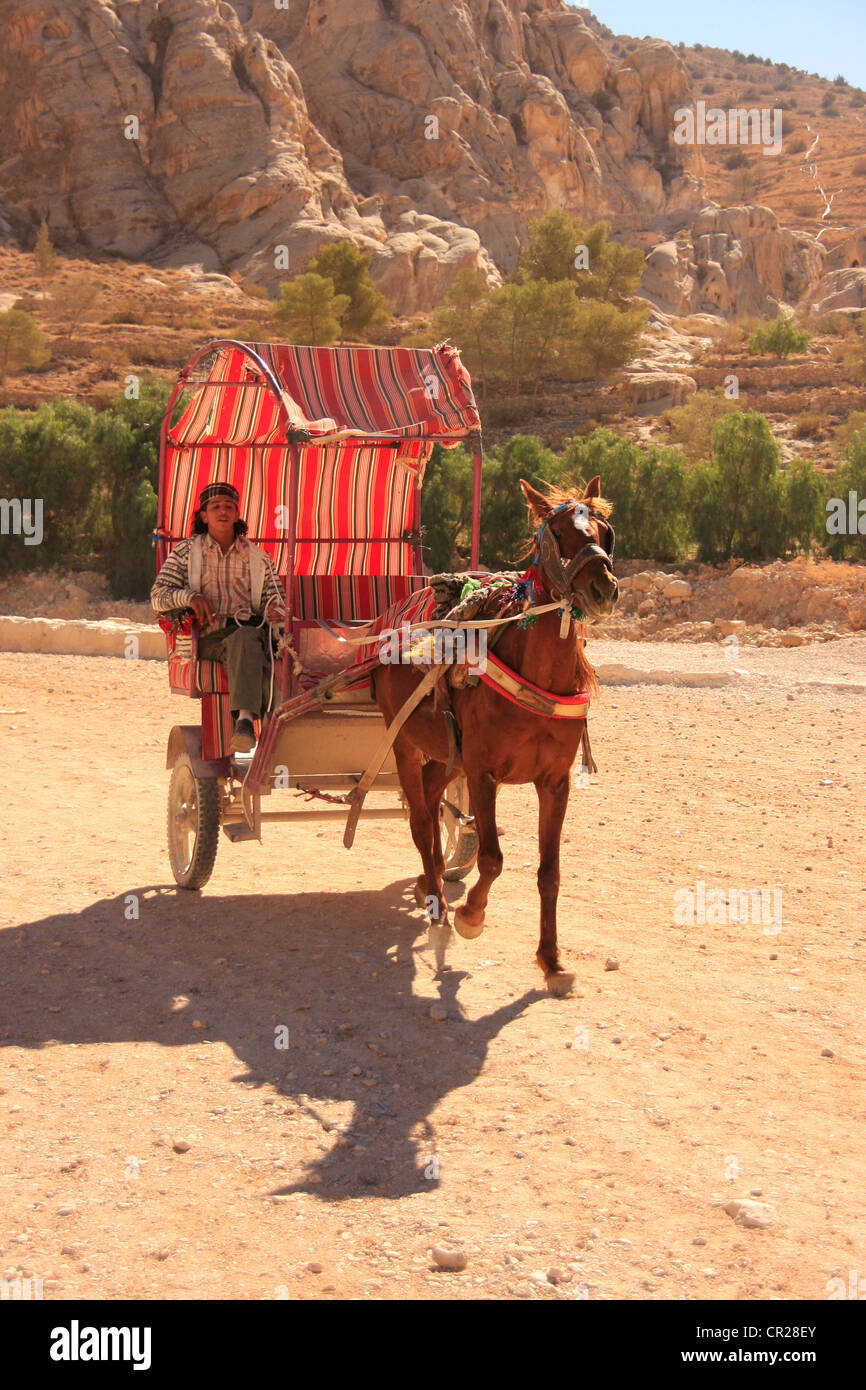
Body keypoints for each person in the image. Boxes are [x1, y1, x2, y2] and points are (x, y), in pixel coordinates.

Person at [151, 482, 285, 752]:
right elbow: (158, 595)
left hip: (254, 634)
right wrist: (190, 597)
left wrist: (274, 610)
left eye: (228, 507)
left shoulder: (259, 558)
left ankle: (284, 732)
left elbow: (278, 600)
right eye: (215, 507)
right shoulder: (186, 553)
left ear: (237, 514)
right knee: (247, 640)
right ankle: (245, 721)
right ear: (203, 516)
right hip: (209, 637)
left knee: (271, 650)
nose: (222, 512)